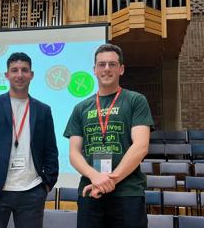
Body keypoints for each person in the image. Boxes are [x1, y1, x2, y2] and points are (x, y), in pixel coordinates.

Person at [63, 43, 153, 228]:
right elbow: (73, 153)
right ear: (94, 70)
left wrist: (109, 180)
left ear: (121, 69)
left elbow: (141, 146)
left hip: (128, 193)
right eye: (101, 64)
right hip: (90, 191)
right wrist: (95, 177)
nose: (106, 69)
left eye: (112, 64)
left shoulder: (136, 100)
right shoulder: (80, 108)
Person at [0, 52, 59, 228]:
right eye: (14, 70)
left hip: (32, 191)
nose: (19, 75)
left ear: (32, 75)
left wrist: (47, 184)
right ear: (7, 75)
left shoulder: (43, 110)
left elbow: (51, 150)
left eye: (24, 70)